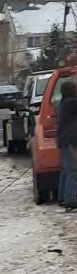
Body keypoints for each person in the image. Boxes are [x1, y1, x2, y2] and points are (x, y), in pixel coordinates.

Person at [59, 78, 77, 210]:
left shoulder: (63, 102)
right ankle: (70, 200)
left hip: (63, 140)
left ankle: (62, 198)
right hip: (68, 141)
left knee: (65, 171)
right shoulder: (71, 102)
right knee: (73, 171)